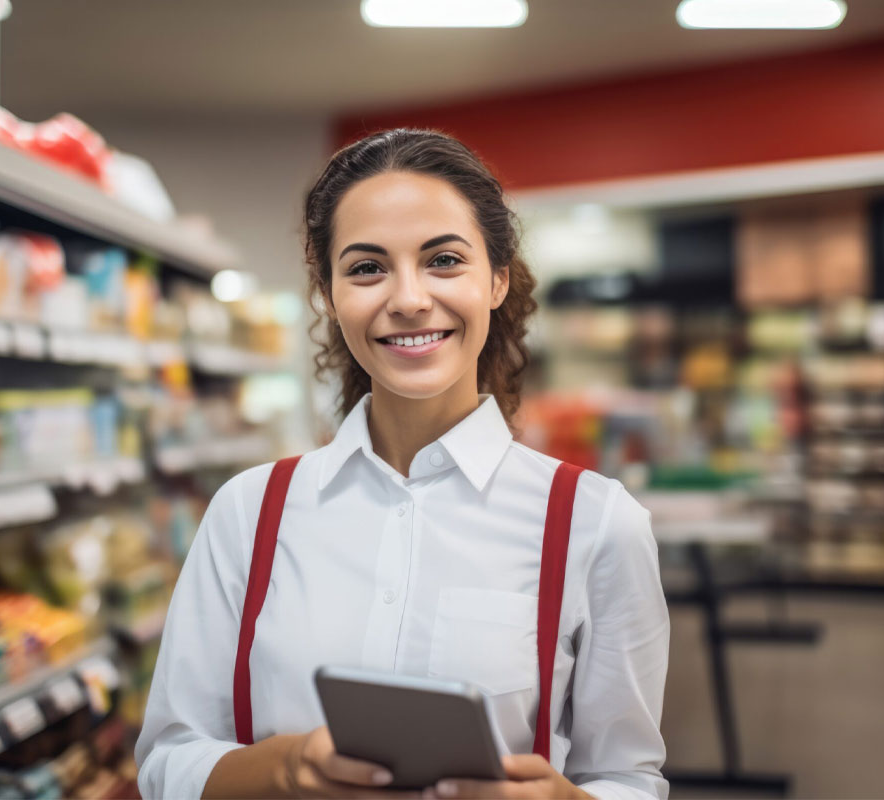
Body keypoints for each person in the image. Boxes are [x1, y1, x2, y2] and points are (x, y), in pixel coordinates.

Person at [135, 129, 669, 800]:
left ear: (497, 280)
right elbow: (165, 762)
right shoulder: (248, 513)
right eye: (366, 268)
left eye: (444, 260)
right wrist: (285, 770)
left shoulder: (596, 524)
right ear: (328, 294)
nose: (409, 298)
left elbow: (627, 777)